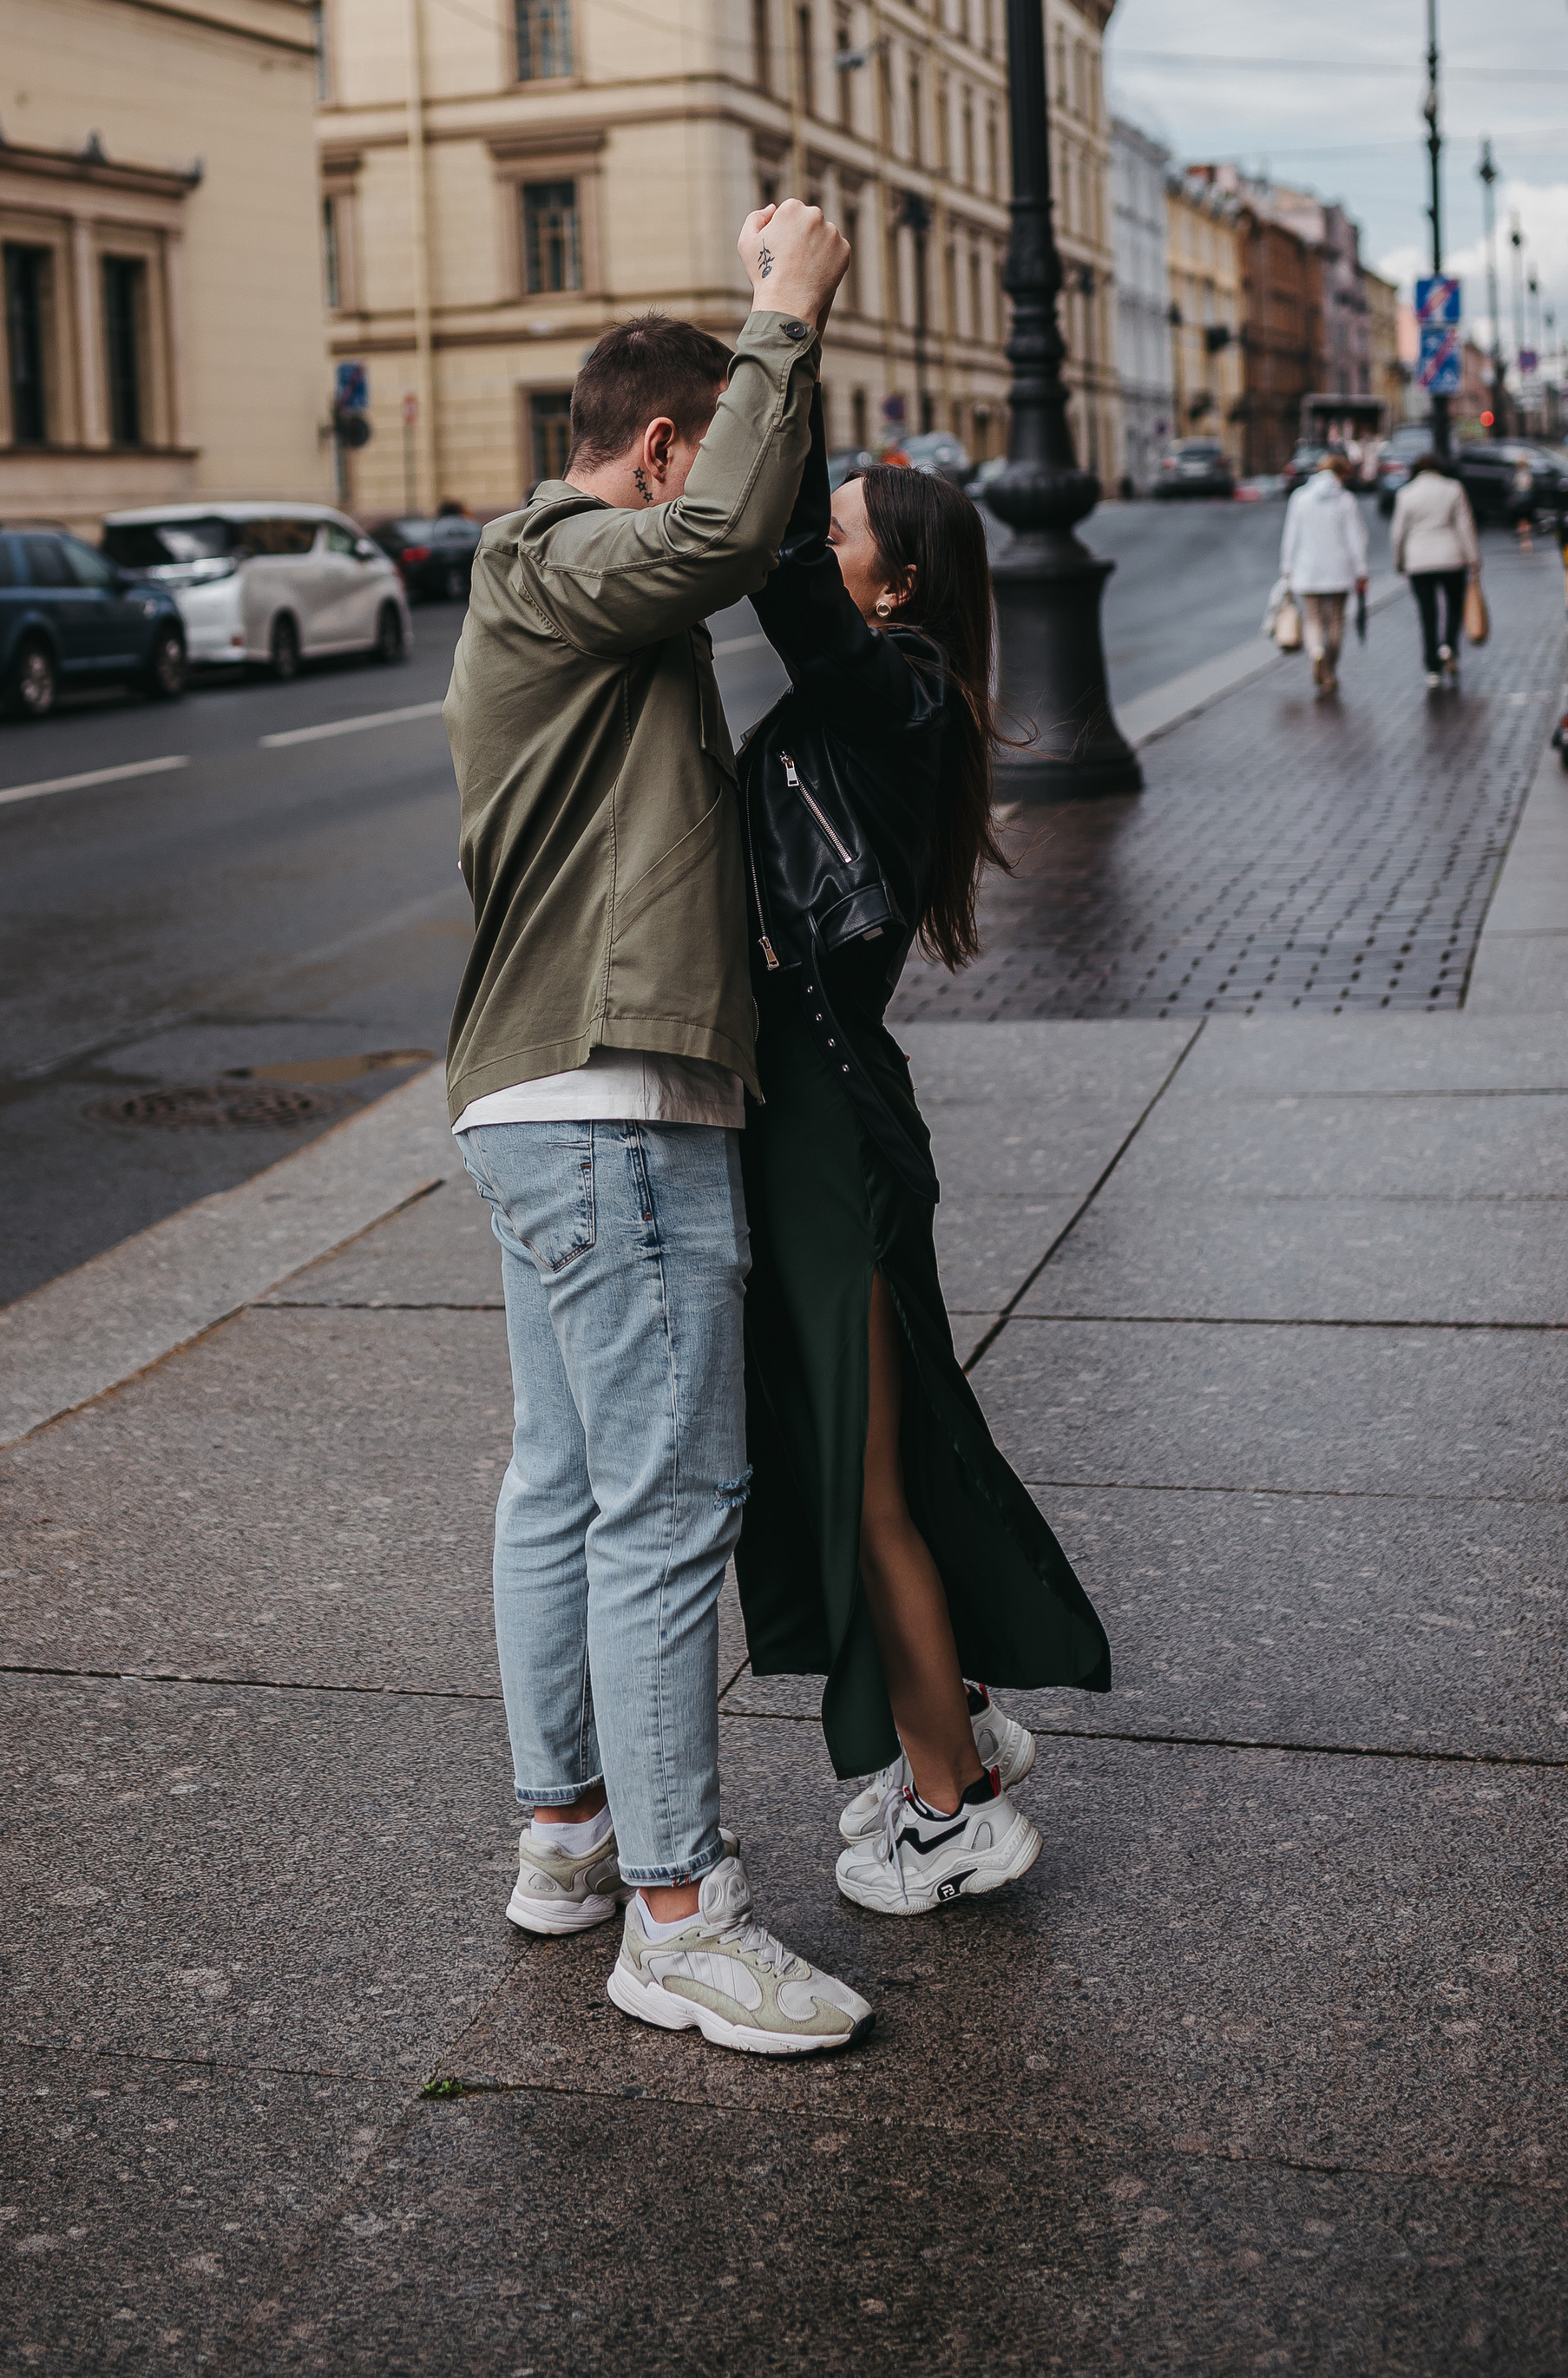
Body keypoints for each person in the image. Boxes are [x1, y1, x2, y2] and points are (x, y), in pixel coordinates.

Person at [447, 197, 878, 2060]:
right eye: (733, 471)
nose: (761, 525)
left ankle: (566, 1841)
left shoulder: (575, 600)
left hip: (562, 1101)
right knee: (662, 1507)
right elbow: (715, 539)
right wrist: (783, 304)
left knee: (564, 1481)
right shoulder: (556, 550)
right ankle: (680, 1918)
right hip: (607, 1114)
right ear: (654, 451)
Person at [734, 415, 1111, 1917]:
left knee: (866, 1480)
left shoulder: (888, 689)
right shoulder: (900, 699)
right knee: (877, 1454)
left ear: (890, 586)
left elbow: (780, 586)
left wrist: (781, 345)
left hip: (828, 1125)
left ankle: (950, 1810)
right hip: (834, 1113)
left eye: (839, 531)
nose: (817, 545)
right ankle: (945, 1732)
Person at [1278, 447, 1370, 694]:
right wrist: (1361, 571)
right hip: (1340, 570)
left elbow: (1291, 536)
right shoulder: (1345, 500)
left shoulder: (1300, 497)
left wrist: (1287, 567)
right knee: (1337, 619)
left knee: (1313, 617)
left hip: (1307, 569)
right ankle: (1330, 668)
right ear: (1340, 474)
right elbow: (1356, 540)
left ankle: (1316, 651)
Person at [1390, 449, 1480, 688]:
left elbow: (1398, 533)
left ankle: (1432, 669)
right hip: (1451, 557)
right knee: (1454, 606)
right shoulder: (1453, 489)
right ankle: (1448, 646)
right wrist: (1474, 558)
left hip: (1419, 562)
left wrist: (1398, 562)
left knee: (1427, 615)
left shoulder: (1406, 494)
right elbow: (1465, 526)